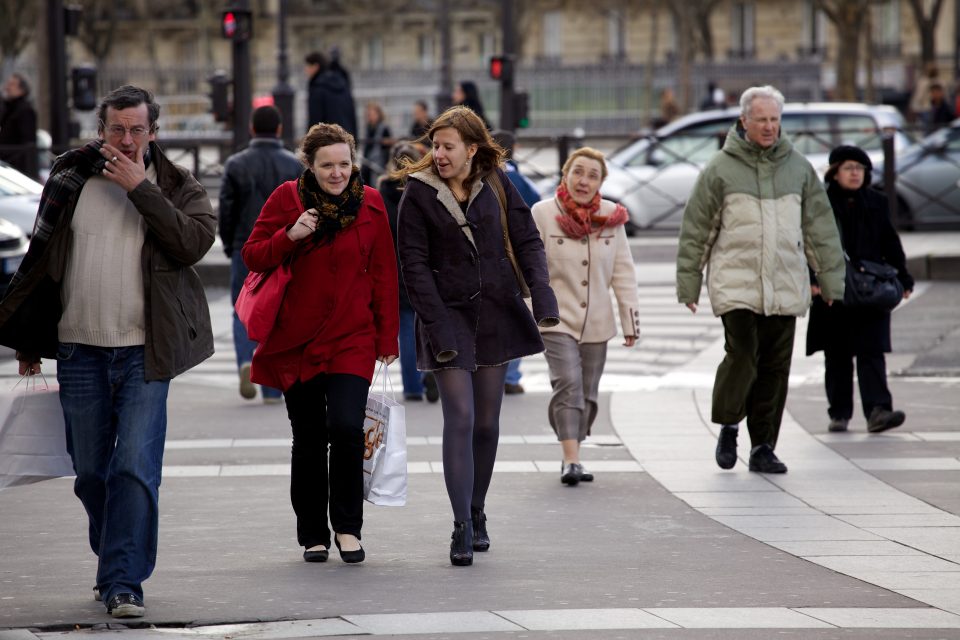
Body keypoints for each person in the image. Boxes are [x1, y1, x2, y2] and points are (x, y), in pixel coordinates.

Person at [0, 85, 216, 618]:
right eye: (116, 129)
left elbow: (192, 243)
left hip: (146, 351)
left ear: (153, 133)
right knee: (92, 471)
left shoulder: (175, 183)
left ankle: (123, 580)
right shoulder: (72, 179)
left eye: (137, 130)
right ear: (102, 130)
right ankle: (115, 556)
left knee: (135, 468)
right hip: (80, 350)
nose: (126, 139)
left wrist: (142, 190)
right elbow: (40, 261)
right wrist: (30, 338)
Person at [395, 106, 558, 566]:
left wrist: (542, 299)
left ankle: (478, 509)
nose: (438, 155)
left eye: (448, 147)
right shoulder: (419, 194)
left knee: (487, 423)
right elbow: (413, 266)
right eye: (435, 146)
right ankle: (460, 526)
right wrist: (438, 324)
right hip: (445, 319)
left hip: (496, 313)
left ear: (471, 149)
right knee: (461, 418)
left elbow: (527, 240)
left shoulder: (498, 184)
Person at [242, 122, 399, 565]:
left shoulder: (370, 202)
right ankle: (313, 534)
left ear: (354, 161)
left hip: (352, 337)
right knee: (309, 437)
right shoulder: (285, 200)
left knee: (348, 430)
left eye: (344, 164)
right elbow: (252, 254)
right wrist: (289, 236)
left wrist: (388, 336)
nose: (337, 174)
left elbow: (385, 272)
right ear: (309, 165)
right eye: (327, 165)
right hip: (296, 340)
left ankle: (348, 528)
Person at [676, 85, 845, 475]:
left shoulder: (799, 168)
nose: (769, 127)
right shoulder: (719, 169)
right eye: (761, 120)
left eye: (774, 120)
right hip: (736, 283)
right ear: (744, 122)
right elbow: (696, 229)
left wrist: (830, 280)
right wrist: (689, 282)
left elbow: (820, 227)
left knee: (774, 366)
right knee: (742, 356)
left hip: (785, 283)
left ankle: (764, 446)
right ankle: (729, 425)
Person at [532, 147, 640, 485]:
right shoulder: (543, 213)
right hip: (555, 318)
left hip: (597, 321)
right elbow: (529, 268)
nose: (584, 180)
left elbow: (623, 271)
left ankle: (574, 443)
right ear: (565, 174)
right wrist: (527, 311)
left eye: (593, 175)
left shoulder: (612, 217)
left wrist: (630, 321)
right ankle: (571, 459)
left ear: (601, 183)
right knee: (569, 384)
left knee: (588, 394)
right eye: (578, 172)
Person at [806, 145, 914, 434]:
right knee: (837, 352)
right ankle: (839, 412)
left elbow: (890, 241)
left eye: (860, 168)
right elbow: (807, 244)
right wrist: (812, 280)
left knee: (872, 350)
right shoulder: (821, 203)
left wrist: (903, 277)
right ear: (835, 172)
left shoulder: (876, 201)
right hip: (833, 287)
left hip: (870, 288)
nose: (855, 173)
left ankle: (878, 411)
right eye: (849, 168)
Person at [219, 105, 302, 404]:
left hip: (246, 245)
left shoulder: (236, 163)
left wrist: (230, 244)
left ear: (253, 129)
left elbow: (226, 210)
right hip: (284, 246)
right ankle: (270, 386)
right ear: (279, 129)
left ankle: (245, 360)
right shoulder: (293, 165)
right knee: (277, 312)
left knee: (243, 310)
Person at [378, 140, 437, 403]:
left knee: (404, 327)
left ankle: (412, 387)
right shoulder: (426, 188)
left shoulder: (382, 190)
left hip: (394, 266)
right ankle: (431, 371)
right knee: (429, 323)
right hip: (424, 264)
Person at [491, 129, 542, 395]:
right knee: (515, 313)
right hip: (513, 256)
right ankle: (510, 376)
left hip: (487, 256)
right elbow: (538, 206)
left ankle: (490, 370)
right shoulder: (518, 179)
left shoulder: (479, 176)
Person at [304, 51, 357, 138]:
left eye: (308, 66)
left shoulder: (318, 87)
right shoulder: (342, 83)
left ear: (316, 66)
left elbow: (315, 118)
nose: (306, 70)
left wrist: (310, 140)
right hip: (346, 138)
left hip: (327, 140)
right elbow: (351, 114)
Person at [0, 72, 38, 177]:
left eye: (12, 84)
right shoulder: (8, 108)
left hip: (17, 168)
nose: (7, 87)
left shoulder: (25, 111)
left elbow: (27, 143)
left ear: (22, 89)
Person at [360, 101, 393, 186]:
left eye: (372, 114)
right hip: (367, 163)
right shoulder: (368, 128)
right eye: (368, 114)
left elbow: (389, 147)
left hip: (379, 164)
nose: (370, 117)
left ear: (378, 114)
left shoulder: (384, 128)